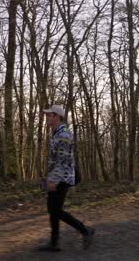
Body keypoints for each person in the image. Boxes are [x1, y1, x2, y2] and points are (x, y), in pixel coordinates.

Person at [37, 104, 95, 252]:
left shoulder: (64, 135)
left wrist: (54, 180)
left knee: (56, 210)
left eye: (49, 115)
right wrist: (48, 176)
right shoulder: (56, 133)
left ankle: (85, 231)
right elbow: (55, 159)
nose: (46, 117)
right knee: (53, 209)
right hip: (56, 176)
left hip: (62, 178)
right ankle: (54, 242)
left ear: (57, 116)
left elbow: (63, 161)